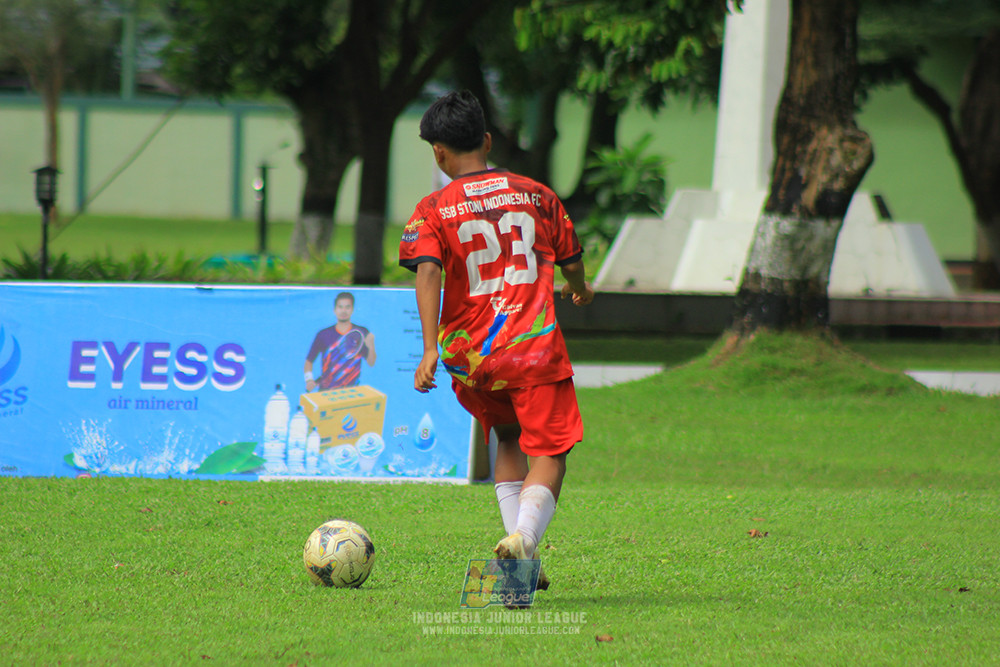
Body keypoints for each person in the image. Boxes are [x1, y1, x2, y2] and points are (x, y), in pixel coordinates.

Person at [399, 90, 594, 591]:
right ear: (486, 140)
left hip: (473, 360)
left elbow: (428, 273)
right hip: (534, 352)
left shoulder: (432, 208)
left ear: (438, 153)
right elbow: (571, 260)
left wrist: (428, 349)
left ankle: (519, 568)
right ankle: (526, 539)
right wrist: (580, 289)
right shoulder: (536, 194)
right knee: (551, 453)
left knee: (508, 437)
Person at [304, 292, 376, 391]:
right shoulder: (323, 334)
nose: (343, 311)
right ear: (335, 310)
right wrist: (309, 380)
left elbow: (371, 362)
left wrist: (371, 346)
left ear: (352, 310)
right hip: (326, 392)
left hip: (352, 393)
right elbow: (309, 361)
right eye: (340, 307)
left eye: (347, 307)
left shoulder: (362, 332)